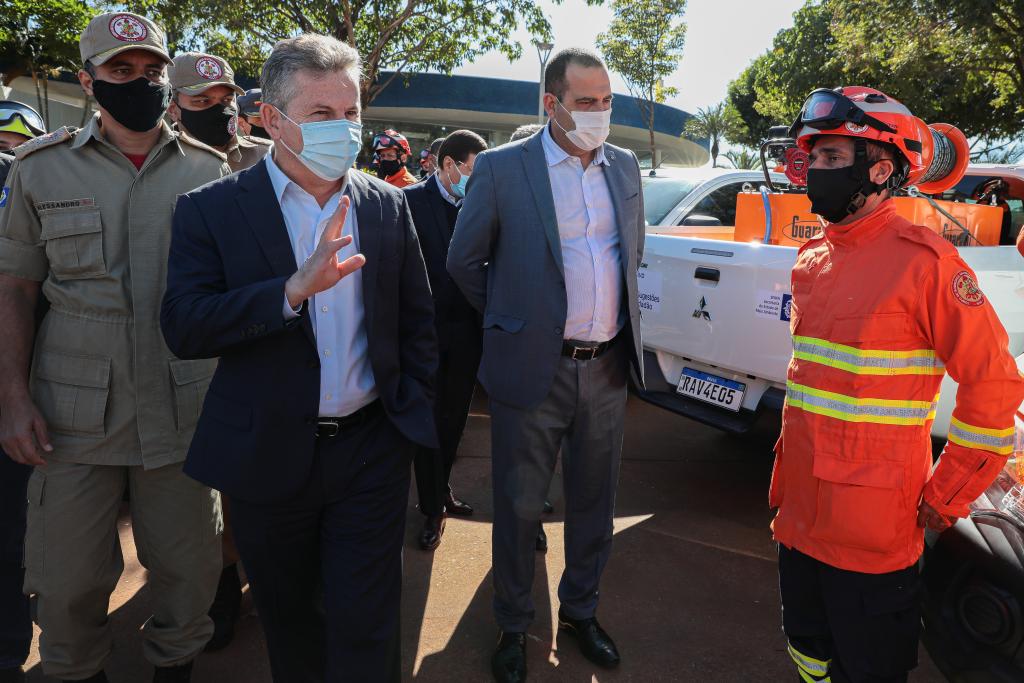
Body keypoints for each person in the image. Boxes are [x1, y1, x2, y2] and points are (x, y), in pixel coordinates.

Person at [160, 33, 438, 683]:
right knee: (291, 623)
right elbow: (184, 326)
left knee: (369, 624)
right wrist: (287, 293)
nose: (343, 130)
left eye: (351, 115)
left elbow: (418, 323)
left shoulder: (386, 203)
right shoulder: (210, 211)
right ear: (273, 120)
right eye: (322, 115)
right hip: (267, 455)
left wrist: (408, 419)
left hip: (371, 451)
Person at [0, 11, 230, 683]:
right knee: (66, 584)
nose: (139, 82)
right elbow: (14, 288)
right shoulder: (40, 170)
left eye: (152, 71)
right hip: (69, 415)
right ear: (88, 79)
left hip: (182, 407)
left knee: (189, 575)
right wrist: (11, 397)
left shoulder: (211, 173)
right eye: (120, 71)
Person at [773, 86, 1024, 683]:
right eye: (814, 157)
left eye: (832, 158)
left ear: (880, 171)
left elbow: (994, 385)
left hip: (873, 534)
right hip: (799, 519)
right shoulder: (811, 260)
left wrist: (948, 493)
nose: (815, 171)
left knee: (871, 668)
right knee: (808, 652)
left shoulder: (926, 264)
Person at [447, 47, 646, 682]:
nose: (599, 113)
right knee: (518, 504)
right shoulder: (505, 169)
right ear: (551, 104)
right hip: (534, 369)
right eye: (586, 102)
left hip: (608, 368)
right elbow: (463, 261)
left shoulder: (625, 167)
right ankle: (513, 622)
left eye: (606, 100)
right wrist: (513, 320)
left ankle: (582, 611)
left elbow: (626, 255)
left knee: (596, 502)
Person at [403, 129, 487, 551]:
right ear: (449, 164)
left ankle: (442, 488)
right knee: (428, 422)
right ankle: (431, 508)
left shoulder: (481, 204)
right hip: (424, 335)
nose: (477, 178)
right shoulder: (410, 203)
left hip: (467, 335)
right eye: (473, 168)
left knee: (454, 419)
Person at [507, 121, 551, 555]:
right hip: (515, 351)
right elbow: (469, 265)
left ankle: (533, 513)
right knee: (520, 449)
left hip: (560, 356)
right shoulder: (500, 192)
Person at [0, 151, 31, 683]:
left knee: (9, 536)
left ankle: (7, 653)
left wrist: (16, 395)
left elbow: (26, 290)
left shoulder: (18, 173)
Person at [168, 52, 271, 173]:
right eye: (202, 101)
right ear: (173, 109)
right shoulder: (157, 166)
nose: (219, 110)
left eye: (227, 100)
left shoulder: (268, 157)